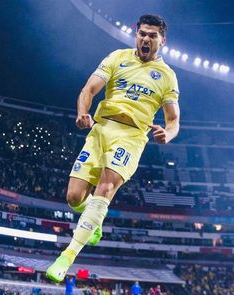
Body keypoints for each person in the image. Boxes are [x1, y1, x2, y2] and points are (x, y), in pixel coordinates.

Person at [46, 13, 180, 283]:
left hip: (131, 136)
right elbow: (89, 89)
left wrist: (169, 134)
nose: (146, 38)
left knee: (105, 189)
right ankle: (95, 221)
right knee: (74, 197)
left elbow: (174, 119)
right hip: (100, 131)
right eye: (142, 33)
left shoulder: (167, 76)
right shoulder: (117, 57)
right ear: (136, 35)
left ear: (162, 41)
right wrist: (83, 112)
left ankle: (66, 258)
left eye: (152, 35)